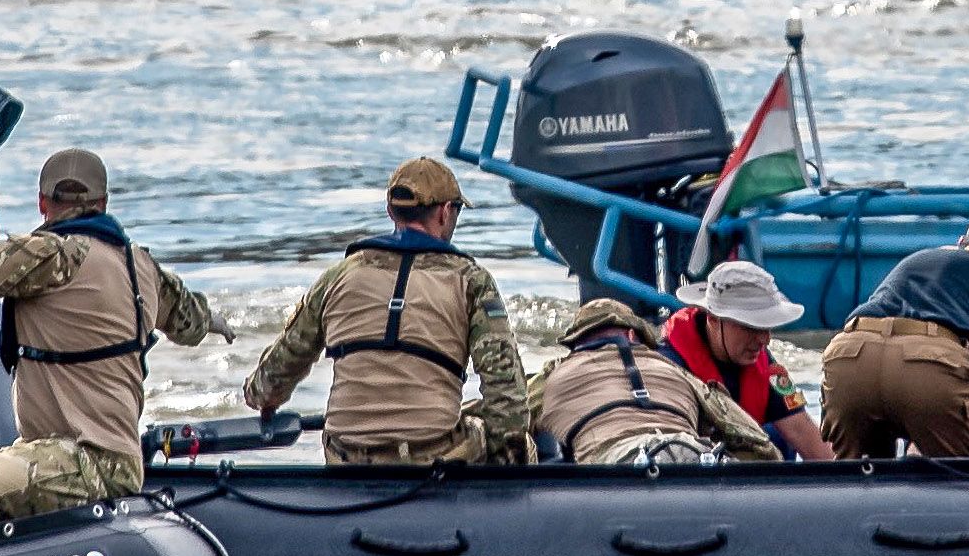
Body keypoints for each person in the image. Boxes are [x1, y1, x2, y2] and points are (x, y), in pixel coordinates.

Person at [0, 145, 233, 534]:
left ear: (42, 203)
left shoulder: (52, 256)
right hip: (114, 460)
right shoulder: (141, 265)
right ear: (103, 202)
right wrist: (216, 321)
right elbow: (190, 319)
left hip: (85, 461)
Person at [243, 156, 528, 465]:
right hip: (433, 455)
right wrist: (506, 461)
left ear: (390, 211)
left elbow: (272, 379)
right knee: (511, 433)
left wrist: (262, 398)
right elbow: (507, 394)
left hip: (347, 456)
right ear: (446, 213)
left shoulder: (338, 276)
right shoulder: (471, 280)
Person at [819, 202, 969, 458]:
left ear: (961, 242)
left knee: (860, 478)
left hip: (849, 354)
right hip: (929, 361)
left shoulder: (921, 257)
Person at [530, 299, 779, 465]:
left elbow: (509, 421)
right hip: (691, 451)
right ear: (633, 334)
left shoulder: (554, 374)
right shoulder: (673, 369)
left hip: (614, 463)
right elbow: (756, 441)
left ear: (576, 344)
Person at [656, 261, 832, 461]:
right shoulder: (668, 366)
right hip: (698, 476)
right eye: (751, 327)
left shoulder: (765, 366)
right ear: (713, 319)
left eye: (767, 327)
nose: (764, 340)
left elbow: (807, 436)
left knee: (776, 438)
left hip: (753, 482)